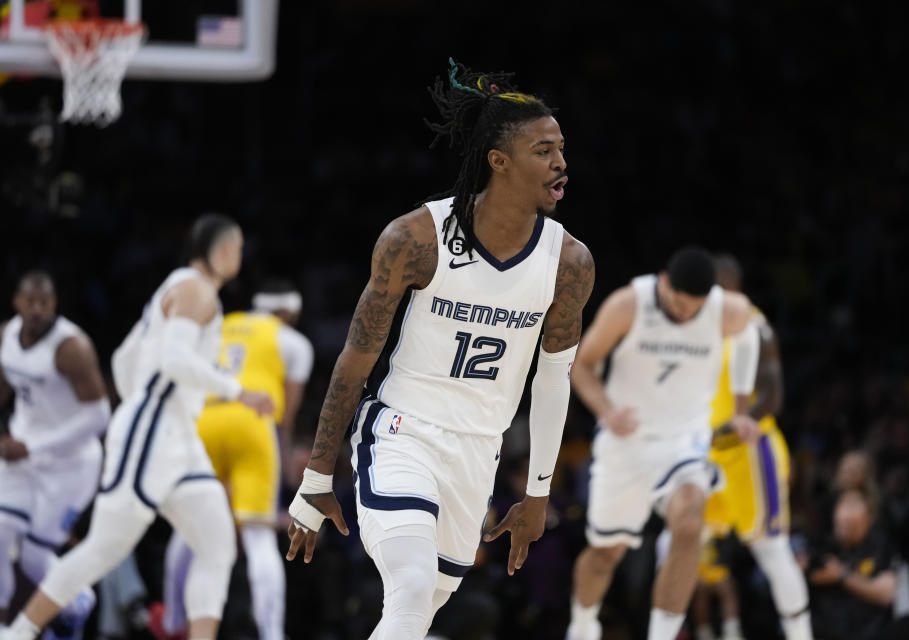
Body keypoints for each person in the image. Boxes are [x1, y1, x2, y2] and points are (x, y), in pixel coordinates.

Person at [284, 59, 593, 640]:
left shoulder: (569, 263)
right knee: (411, 585)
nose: (561, 164)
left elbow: (553, 380)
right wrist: (316, 474)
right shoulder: (415, 239)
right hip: (403, 431)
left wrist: (538, 492)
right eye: (545, 150)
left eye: (562, 149)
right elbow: (355, 359)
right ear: (499, 161)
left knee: (423, 605)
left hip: (479, 450)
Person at [0, 214, 274, 640]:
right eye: (237, 247)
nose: (240, 255)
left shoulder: (173, 288)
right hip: (153, 432)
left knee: (218, 546)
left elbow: (125, 360)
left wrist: (144, 404)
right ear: (221, 251)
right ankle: (17, 633)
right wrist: (237, 393)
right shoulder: (197, 291)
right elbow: (174, 361)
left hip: (175, 433)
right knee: (103, 550)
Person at [565, 246, 760, 640]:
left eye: (695, 308)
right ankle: (583, 622)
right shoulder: (628, 304)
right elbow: (583, 364)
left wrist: (741, 409)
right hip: (628, 441)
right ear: (664, 282)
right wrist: (606, 411)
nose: (686, 314)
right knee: (606, 554)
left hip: (683, 440)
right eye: (679, 304)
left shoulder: (729, 309)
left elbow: (748, 339)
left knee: (690, 522)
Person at [158, 279, 314, 640]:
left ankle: (170, 624)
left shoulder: (221, 326)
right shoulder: (292, 341)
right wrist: (284, 451)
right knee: (258, 537)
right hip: (252, 422)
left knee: (188, 529)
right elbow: (286, 415)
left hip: (204, 421)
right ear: (289, 311)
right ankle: (272, 633)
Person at [697, 253, 813, 640]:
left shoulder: (756, 327)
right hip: (707, 456)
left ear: (729, 287)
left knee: (770, 550)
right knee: (681, 544)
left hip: (750, 452)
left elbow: (772, 398)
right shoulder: (700, 329)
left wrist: (720, 432)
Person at [0, 271, 111, 638]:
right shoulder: (6, 337)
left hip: (72, 464)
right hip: (21, 456)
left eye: (43, 302)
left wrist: (33, 446)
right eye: (29, 301)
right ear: (16, 302)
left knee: (33, 554)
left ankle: (78, 598)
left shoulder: (71, 347)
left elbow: (99, 416)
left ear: (54, 304)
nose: (35, 309)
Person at [806, 487, 899, 640]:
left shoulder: (880, 544)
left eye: (853, 507)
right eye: (842, 507)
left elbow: (885, 595)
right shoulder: (821, 545)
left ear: (869, 518)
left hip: (868, 632)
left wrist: (841, 576)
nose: (845, 516)